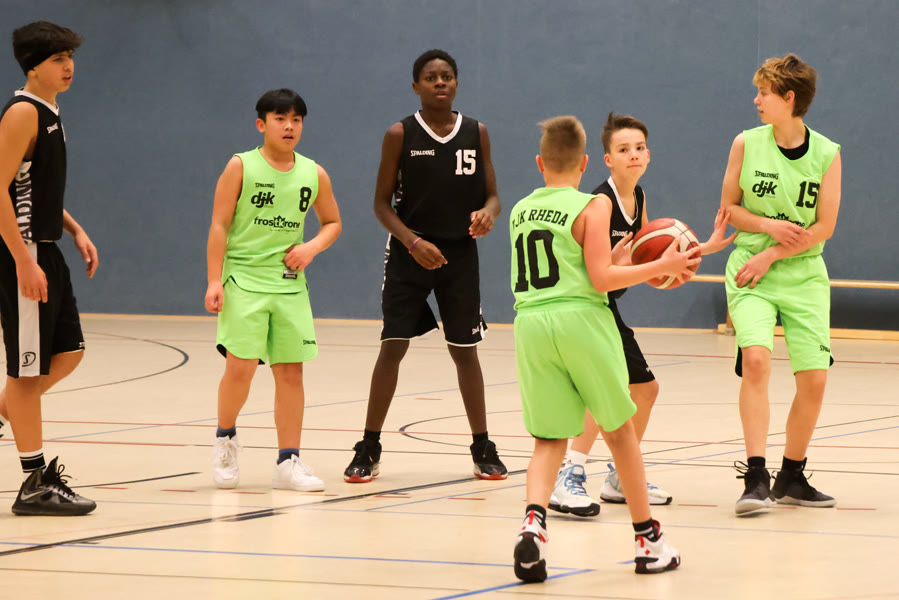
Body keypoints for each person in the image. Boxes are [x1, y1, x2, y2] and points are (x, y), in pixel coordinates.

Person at [511, 116, 694, 581]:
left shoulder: (521, 209)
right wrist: (663, 265)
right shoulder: (593, 206)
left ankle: (532, 525)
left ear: (540, 163)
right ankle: (648, 540)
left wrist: (620, 260)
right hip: (581, 321)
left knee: (548, 439)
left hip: (530, 324)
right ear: (586, 162)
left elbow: (576, 264)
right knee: (620, 432)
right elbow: (600, 279)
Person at [550, 113, 735, 516]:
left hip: (604, 306)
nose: (633, 155)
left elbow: (650, 255)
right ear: (607, 159)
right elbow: (597, 272)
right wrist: (620, 264)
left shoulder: (639, 197)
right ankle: (569, 474)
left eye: (639, 148)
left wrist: (705, 247)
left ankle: (620, 477)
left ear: (648, 155)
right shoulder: (600, 203)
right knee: (604, 392)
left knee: (644, 389)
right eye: (623, 150)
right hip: (583, 306)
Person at [343, 49, 506, 483]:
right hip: (409, 253)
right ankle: (369, 446)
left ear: (457, 83)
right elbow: (381, 204)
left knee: (465, 351)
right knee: (393, 345)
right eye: (431, 77)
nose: (440, 83)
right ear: (416, 86)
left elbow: (493, 195)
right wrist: (413, 242)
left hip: (459, 255)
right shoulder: (399, 134)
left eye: (447, 76)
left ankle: (482, 446)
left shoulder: (476, 131)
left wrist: (488, 213)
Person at [720, 54, 841, 516]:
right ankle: (755, 476)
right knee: (756, 360)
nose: (756, 100)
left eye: (764, 93)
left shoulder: (827, 154)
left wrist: (775, 251)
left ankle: (792, 475)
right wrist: (768, 228)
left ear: (789, 99)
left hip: (802, 272)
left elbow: (825, 226)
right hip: (751, 268)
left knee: (814, 379)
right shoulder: (746, 143)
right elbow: (730, 209)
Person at [205, 88, 341, 492]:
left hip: (288, 284)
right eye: (280, 118)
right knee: (241, 367)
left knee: (291, 372)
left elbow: (332, 222)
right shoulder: (240, 166)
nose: (289, 126)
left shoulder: (314, 173)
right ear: (261, 124)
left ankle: (288, 461)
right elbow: (219, 225)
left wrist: (311, 248)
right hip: (243, 278)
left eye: (296, 119)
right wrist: (214, 279)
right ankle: (225, 439)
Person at [0, 21, 98, 516]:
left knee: (69, 352)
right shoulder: (22, 113)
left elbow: (34, 188)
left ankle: (8, 415)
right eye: (58, 59)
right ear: (32, 66)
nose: (68, 66)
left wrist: (75, 228)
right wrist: (23, 260)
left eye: (70, 57)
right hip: (24, 251)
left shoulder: (49, 112)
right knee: (27, 372)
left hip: (47, 249)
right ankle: (35, 483)